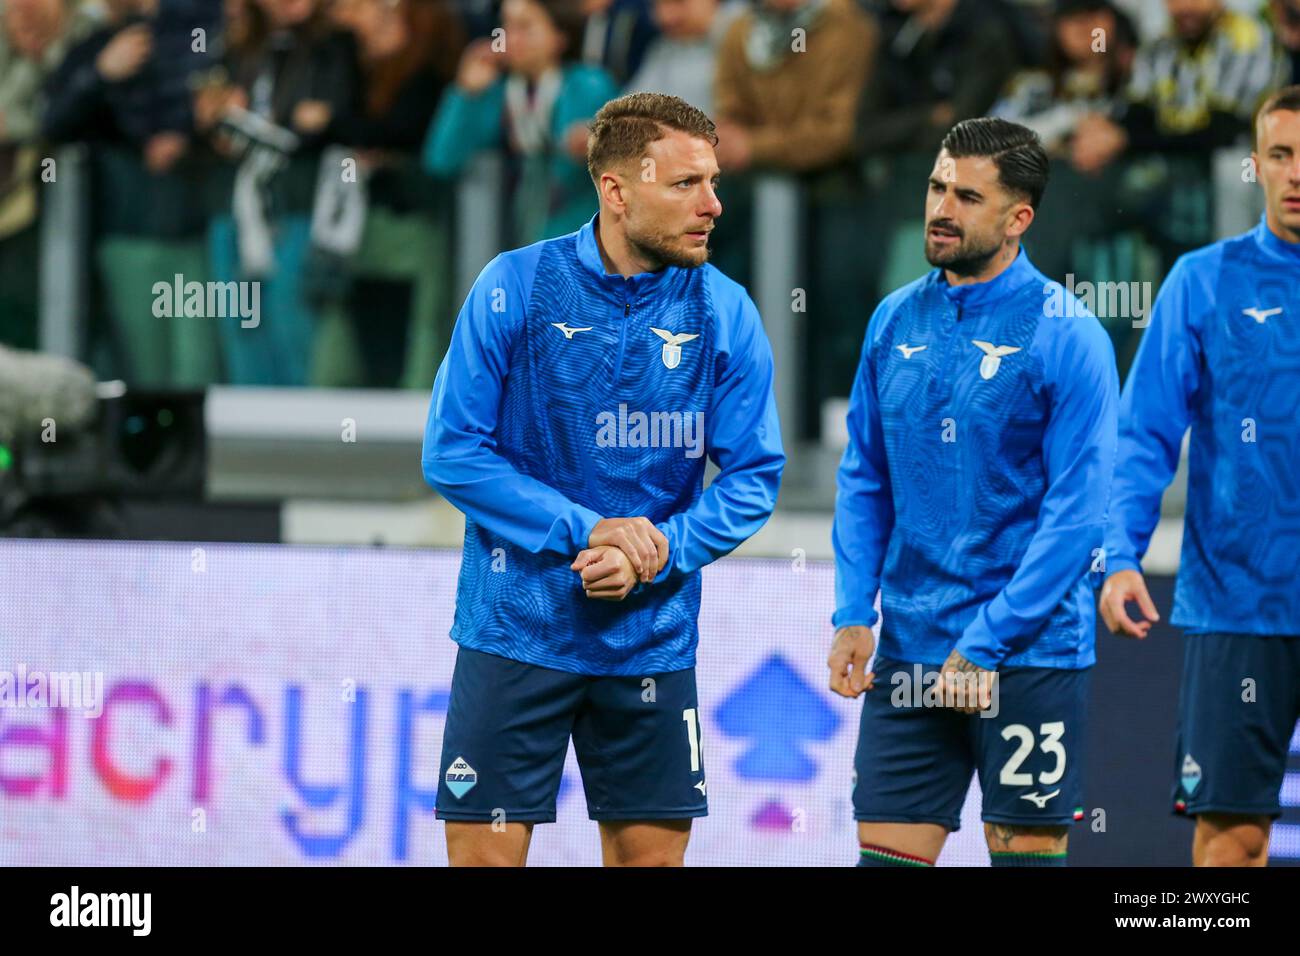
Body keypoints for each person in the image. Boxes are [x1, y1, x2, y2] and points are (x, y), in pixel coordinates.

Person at [421, 92, 784, 866]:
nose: (713, 204)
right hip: (515, 630)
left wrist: (655, 548)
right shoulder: (512, 287)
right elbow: (453, 450)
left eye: (714, 181)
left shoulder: (728, 311)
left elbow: (754, 474)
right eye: (686, 184)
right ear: (617, 191)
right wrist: (586, 529)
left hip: (648, 643)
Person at [828, 117, 1118, 867]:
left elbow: (1077, 517)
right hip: (912, 656)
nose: (940, 208)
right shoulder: (893, 319)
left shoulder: (1067, 334)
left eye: (965, 195)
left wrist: (987, 643)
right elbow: (864, 477)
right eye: (935, 186)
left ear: (1019, 217)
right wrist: (855, 612)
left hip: (1028, 655)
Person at [1100, 86, 1300, 868]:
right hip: (1237, 608)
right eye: (1280, 154)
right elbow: (1143, 435)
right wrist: (1119, 554)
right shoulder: (1204, 280)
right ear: (1255, 164)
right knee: (1233, 843)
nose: (1295, 174)